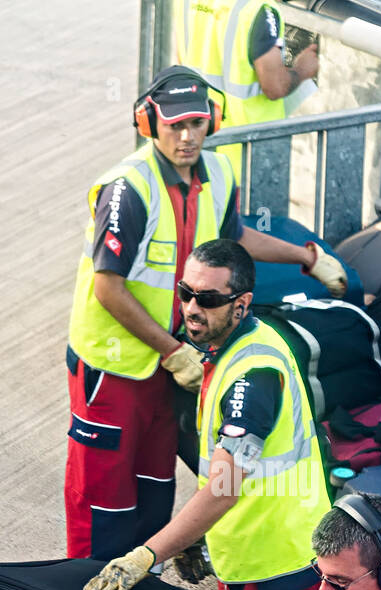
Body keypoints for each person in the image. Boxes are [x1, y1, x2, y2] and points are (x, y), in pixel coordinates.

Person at [65, 65, 346, 561]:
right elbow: (108, 289)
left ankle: (142, 589)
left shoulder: (218, 173)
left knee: (154, 486)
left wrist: (307, 257)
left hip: (170, 364)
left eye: (196, 123)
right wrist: (174, 352)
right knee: (102, 502)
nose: (187, 136)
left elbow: (234, 237)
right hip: (114, 370)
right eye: (175, 125)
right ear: (150, 124)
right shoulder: (129, 188)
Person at [83, 239, 332, 590]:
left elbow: (223, 489)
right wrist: (198, 533)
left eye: (210, 299)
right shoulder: (234, 348)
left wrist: (147, 555)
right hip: (262, 553)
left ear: (242, 303)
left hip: (275, 567)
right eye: (186, 293)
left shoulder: (250, 378)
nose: (193, 308)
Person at [173, 0, 318, 178]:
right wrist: (302, 69)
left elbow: (183, 63)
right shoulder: (258, 7)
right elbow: (274, 86)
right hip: (247, 160)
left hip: (199, 147)